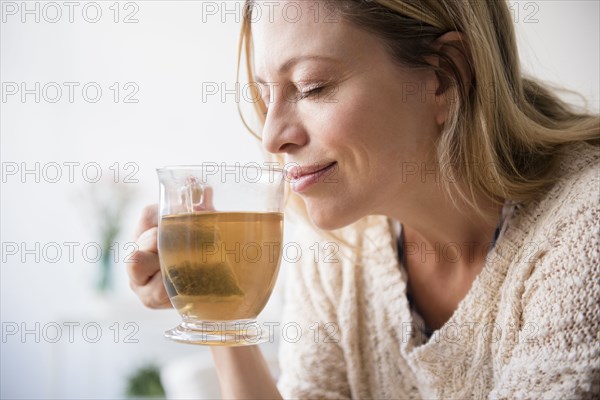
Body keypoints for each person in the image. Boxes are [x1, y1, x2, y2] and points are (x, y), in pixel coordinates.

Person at [128, 0, 599, 398]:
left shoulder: (584, 230)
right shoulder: (338, 246)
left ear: (445, 77)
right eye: (264, 94)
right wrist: (218, 304)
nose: (272, 137)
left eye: (312, 87)